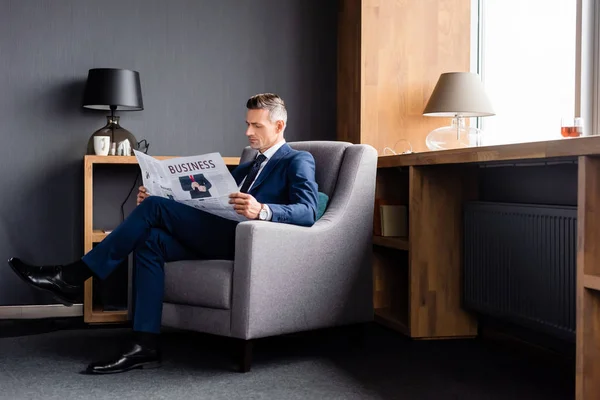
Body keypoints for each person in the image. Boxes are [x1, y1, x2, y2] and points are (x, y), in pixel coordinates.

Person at [7, 93, 319, 374]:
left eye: (257, 126)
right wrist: (161, 194)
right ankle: (145, 345)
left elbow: (308, 211)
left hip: (248, 241)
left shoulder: (297, 160)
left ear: (279, 126)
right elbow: (209, 199)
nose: (248, 132)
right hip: (219, 232)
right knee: (150, 239)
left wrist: (261, 209)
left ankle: (74, 276)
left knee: (154, 210)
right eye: (247, 124)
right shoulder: (250, 164)